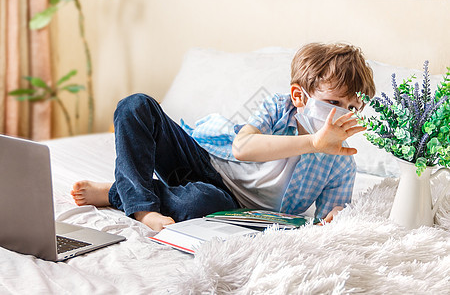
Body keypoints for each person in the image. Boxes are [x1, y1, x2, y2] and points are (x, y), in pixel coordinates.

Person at [71, 43, 376, 232]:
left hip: (232, 203)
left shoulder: (341, 163)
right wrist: (312, 143)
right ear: (299, 96)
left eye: (353, 107)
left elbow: (321, 227)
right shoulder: (277, 108)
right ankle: (143, 208)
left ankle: (120, 191)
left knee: (197, 204)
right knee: (136, 105)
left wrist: (335, 219)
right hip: (208, 161)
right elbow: (242, 148)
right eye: (335, 103)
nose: (344, 113)